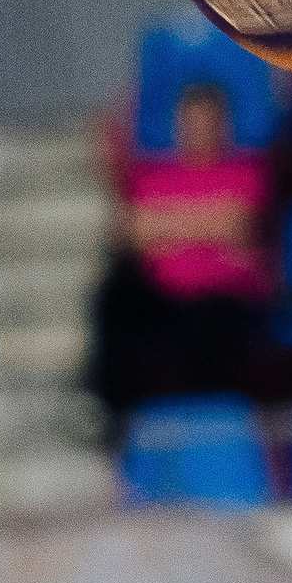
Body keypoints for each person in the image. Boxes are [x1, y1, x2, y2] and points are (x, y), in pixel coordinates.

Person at [87, 78, 273, 424]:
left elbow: (236, 226)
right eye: (191, 121)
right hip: (162, 295)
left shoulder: (248, 170)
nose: (199, 130)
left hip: (220, 296)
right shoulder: (152, 175)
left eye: (208, 121)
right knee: (114, 296)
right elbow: (129, 231)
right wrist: (206, 222)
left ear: (224, 124)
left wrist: (163, 224)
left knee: (211, 323)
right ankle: (109, 415)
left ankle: (207, 430)